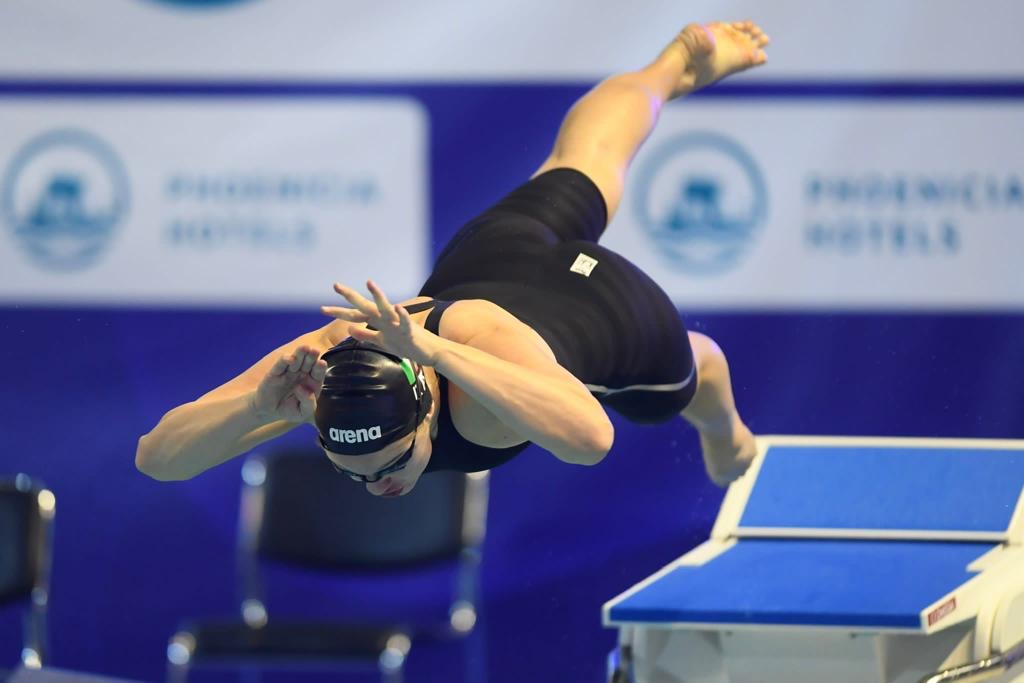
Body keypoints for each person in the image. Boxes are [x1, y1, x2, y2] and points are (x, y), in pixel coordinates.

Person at [136, 20, 769, 495]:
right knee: (582, 159)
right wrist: (255, 407)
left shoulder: (476, 389)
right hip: (499, 257)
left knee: (679, 385)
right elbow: (157, 459)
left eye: (390, 462)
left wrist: (435, 351)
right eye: (352, 473)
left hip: (604, 307)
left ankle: (725, 430)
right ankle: (670, 67)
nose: (378, 488)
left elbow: (591, 438)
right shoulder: (330, 366)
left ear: (426, 407)